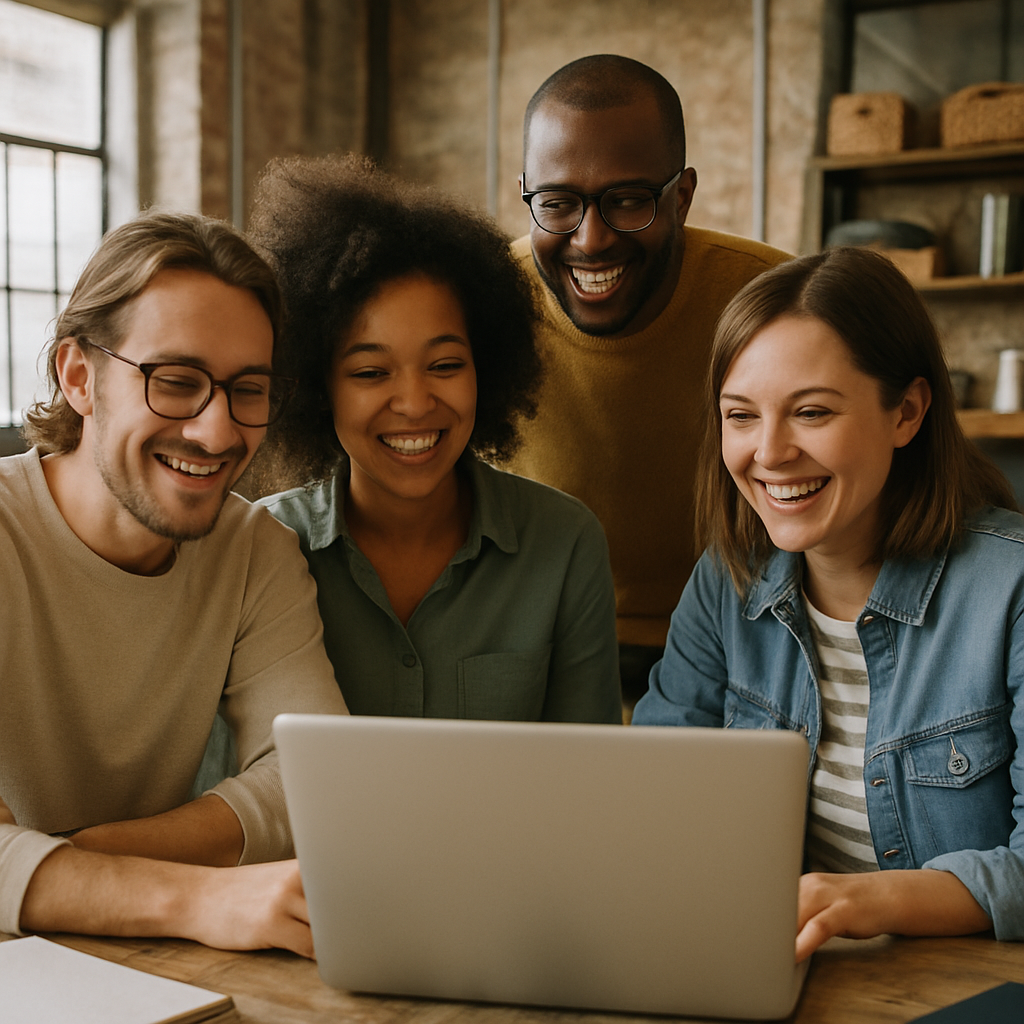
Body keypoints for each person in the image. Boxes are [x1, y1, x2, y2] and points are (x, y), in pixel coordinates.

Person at [633, 246, 1024, 960]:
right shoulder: (725, 582)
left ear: (906, 411)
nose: (770, 452)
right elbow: (655, 808)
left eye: (810, 412)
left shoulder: (1012, 590)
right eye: (741, 416)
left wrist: (857, 901)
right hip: (781, 971)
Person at [0, 212, 348, 955]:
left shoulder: (255, 549)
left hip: (134, 966)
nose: (218, 433)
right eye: (176, 381)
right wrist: (191, 898)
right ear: (78, 377)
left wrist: (87, 865)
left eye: (247, 390)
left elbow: (313, 777)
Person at [246, 154, 621, 723]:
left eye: (445, 365)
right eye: (371, 373)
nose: (416, 404)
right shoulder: (261, 548)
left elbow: (588, 779)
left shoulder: (564, 545)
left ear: (486, 369)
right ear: (317, 388)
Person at [502, 54, 791, 702]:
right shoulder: (486, 301)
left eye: (628, 201)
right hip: (534, 651)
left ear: (682, 196)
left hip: (745, 646)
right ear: (527, 192)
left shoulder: (772, 300)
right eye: (557, 204)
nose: (591, 238)